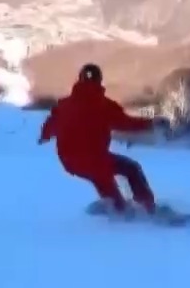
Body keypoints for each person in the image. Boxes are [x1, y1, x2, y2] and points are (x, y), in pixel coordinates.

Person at [38, 63, 163, 213]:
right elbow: (126, 123)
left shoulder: (64, 105)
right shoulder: (104, 105)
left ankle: (116, 206)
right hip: (95, 160)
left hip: (70, 161)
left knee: (102, 178)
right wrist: (151, 124)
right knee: (131, 169)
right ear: (99, 80)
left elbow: (50, 124)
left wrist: (44, 137)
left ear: (80, 79)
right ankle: (147, 208)